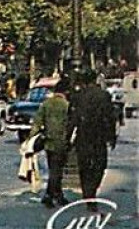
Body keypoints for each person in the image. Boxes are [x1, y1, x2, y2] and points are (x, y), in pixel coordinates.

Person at [67, 68, 117, 205]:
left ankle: (87, 193)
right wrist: (112, 137)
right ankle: (92, 191)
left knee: (84, 166)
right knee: (99, 165)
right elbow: (110, 118)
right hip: (99, 136)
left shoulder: (77, 96)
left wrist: (67, 137)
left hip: (83, 135)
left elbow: (72, 118)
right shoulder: (104, 95)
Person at [31, 77, 70, 207]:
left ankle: (57, 194)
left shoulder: (46, 104)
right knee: (57, 171)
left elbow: (37, 122)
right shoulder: (66, 105)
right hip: (62, 141)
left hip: (48, 141)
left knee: (54, 169)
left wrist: (30, 139)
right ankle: (50, 195)